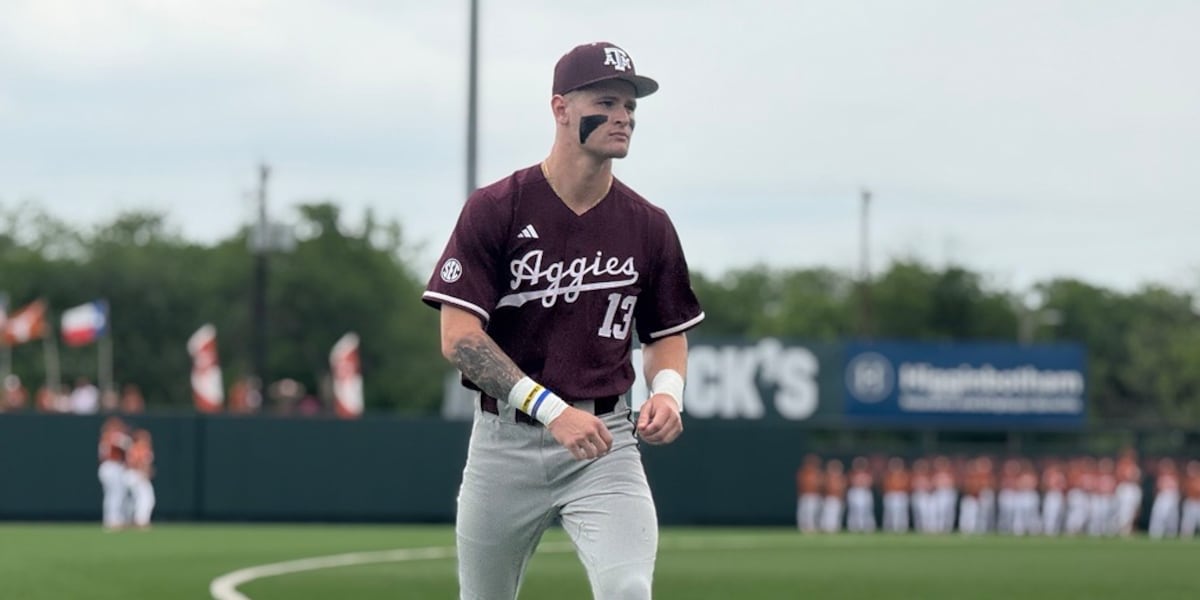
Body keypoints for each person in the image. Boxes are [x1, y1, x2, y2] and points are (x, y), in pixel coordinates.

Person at [422, 41, 704, 599]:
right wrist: (552, 411)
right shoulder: (497, 207)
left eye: (630, 106)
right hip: (505, 442)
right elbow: (459, 339)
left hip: (606, 441)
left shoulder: (648, 224)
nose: (623, 117)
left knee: (628, 589)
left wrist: (668, 394)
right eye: (607, 102)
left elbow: (666, 334)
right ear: (561, 109)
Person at [97, 416, 131, 530]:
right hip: (112, 466)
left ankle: (112, 519)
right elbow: (128, 443)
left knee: (112, 495)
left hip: (107, 467)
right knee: (116, 494)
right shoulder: (114, 436)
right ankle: (113, 520)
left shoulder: (104, 437)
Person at [124, 428, 156, 529]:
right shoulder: (139, 448)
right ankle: (141, 521)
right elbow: (137, 462)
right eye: (144, 437)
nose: (147, 439)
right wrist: (144, 472)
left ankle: (136, 520)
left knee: (137, 499)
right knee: (146, 498)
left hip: (133, 475)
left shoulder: (135, 447)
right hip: (136, 475)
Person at [796, 454, 824, 533]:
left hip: (815, 495)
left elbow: (821, 485)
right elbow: (801, 484)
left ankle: (812, 527)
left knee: (814, 512)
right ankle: (803, 527)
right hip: (805, 495)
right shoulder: (803, 472)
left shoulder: (818, 473)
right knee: (804, 512)